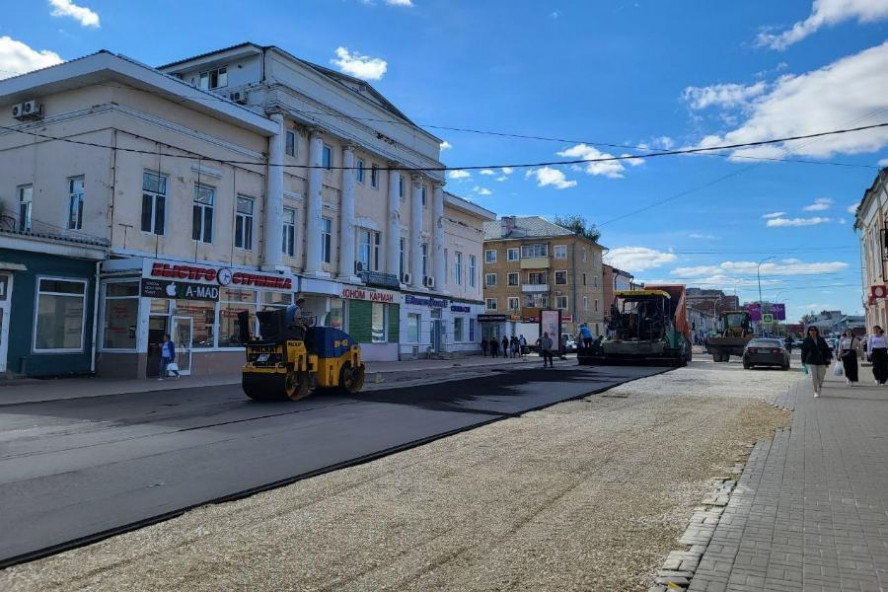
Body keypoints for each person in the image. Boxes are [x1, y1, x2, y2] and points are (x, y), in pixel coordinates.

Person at [801, 326, 832, 397]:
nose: (813, 331)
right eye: (811, 330)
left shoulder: (821, 339)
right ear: (809, 332)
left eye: (814, 330)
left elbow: (826, 350)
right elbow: (804, 352)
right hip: (811, 360)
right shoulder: (806, 340)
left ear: (816, 331)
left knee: (821, 376)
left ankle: (819, 387)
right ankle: (815, 391)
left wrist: (827, 360)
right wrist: (803, 361)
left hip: (821, 360)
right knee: (814, 376)